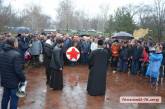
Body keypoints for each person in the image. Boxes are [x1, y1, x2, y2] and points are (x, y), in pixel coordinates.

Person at [0, 37, 26, 109]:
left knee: (5, 97)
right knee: (14, 98)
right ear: (13, 43)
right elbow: (18, 71)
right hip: (14, 81)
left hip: (5, 80)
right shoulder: (16, 55)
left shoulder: (1, 53)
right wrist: (23, 79)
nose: (17, 43)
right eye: (16, 42)